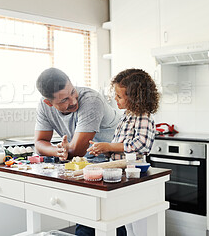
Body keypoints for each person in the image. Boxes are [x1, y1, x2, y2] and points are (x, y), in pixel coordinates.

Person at [34, 67, 126, 236]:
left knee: (108, 220)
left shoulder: (91, 100)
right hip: (86, 164)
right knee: (88, 219)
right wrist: (58, 151)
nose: (73, 101)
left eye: (73, 92)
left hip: (114, 160)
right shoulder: (43, 106)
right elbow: (39, 143)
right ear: (49, 103)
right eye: (64, 100)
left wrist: (63, 151)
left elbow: (77, 150)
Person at [87, 68, 159, 236]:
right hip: (124, 176)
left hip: (136, 176)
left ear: (135, 98)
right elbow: (118, 144)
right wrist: (104, 150)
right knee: (128, 222)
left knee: (140, 223)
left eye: (119, 96)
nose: (115, 99)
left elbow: (142, 144)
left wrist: (110, 147)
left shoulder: (143, 116)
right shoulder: (126, 116)